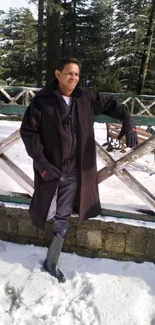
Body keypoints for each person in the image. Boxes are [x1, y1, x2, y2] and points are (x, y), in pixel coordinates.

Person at [20, 57, 138, 283]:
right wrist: (42, 165)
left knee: (63, 214)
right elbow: (29, 133)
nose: (73, 78)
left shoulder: (86, 98)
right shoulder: (42, 101)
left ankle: (51, 261)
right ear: (58, 74)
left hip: (76, 171)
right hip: (51, 168)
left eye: (76, 74)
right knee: (45, 208)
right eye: (68, 73)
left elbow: (113, 103)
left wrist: (128, 119)